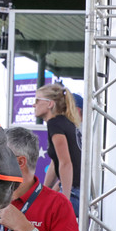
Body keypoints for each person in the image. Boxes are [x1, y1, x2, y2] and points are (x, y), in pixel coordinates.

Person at [34, 83, 82, 217]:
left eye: (37, 100)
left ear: (50, 104)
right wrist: (43, 192)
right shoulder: (65, 122)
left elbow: (66, 163)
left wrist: (65, 200)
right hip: (77, 192)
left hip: (73, 194)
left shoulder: (55, 123)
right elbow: (56, 162)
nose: (34, 105)